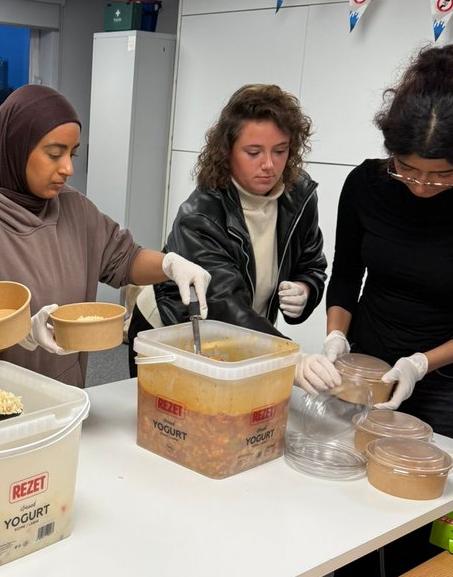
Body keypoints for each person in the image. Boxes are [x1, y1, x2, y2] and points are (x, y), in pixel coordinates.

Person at [300, 43, 453, 577]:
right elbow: (347, 276)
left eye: (440, 176)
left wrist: (423, 363)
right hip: (364, 372)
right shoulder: (367, 184)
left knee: (418, 532)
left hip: (442, 383)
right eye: (407, 170)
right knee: (349, 519)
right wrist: (336, 338)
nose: (420, 186)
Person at [0, 84, 211, 387]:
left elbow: (124, 258)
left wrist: (170, 265)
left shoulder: (74, 209)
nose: (68, 168)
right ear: (15, 148)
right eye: (54, 153)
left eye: (72, 153)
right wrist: (15, 334)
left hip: (65, 396)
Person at [130, 84, 327, 372]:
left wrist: (305, 288)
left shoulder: (299, 197)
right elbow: (224, 305)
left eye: (280, 151)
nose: (269, 165)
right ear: (227, 152)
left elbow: (311, 264)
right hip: (172, 332)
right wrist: (289, 357)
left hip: (248, 335)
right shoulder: (200, 216)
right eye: (253, 152)